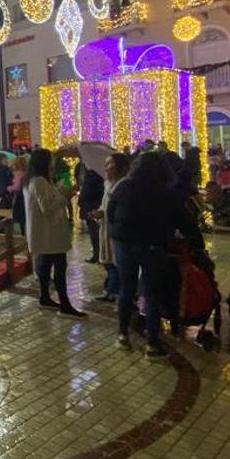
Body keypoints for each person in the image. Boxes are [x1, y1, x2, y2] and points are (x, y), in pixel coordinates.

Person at [108, 151, 203, 356]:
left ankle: (122, 335)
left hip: (124, 242)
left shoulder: (124, 186)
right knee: (152, 292)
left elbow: (111, 211)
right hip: (152, 245)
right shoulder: (166, 190)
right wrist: (197, 243)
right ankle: (152, 342)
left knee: (127, 287)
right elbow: (183, 220)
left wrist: (115, 231)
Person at [23, 148, 84, 317]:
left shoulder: (34, 180)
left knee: (45, 266)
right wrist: (67, 195)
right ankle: (65, 305)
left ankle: (45, 297)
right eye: (51, 160)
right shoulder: (39, 181)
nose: (53, 163)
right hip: (49, 234)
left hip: (44, 234)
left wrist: (58, 191)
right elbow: (47, 208)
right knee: (58, 268)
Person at [93, 153, 131, 303]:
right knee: (108, 261)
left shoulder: (124, 185)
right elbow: (105, 205)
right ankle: (112, 289)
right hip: (106, 227)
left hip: (118, 230)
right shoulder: (107, 184)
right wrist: (99, 213)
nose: (105, 167)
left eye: (109, 164)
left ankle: (114, 291)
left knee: (116, 262)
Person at [77, 164, 105, 263]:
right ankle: (97, 254)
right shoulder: (94, 173)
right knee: (94, 232)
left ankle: (97, 255)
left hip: (91, 206)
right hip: (91, 205)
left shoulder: (92, 175)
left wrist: (80, 199)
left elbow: (87, 191)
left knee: (94, 232)